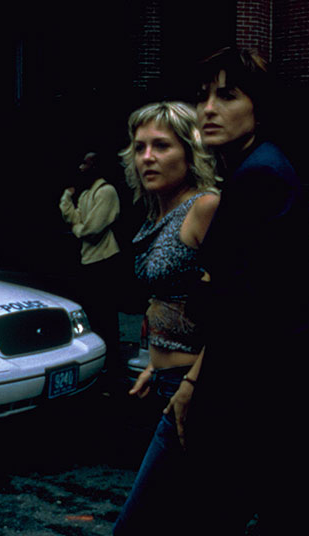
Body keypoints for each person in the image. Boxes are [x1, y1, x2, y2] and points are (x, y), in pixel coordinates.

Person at [176, 47, 309, 534]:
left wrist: (201, 293)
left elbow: (242, 304)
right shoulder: (256, 168)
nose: (208, 109)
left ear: (260, 109)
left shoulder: (261, 175)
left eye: (227, 95)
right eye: (202, 97)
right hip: (281, 401)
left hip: (275, 407)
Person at [112, 102, 219, 536]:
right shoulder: (158, 212)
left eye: (161, 146)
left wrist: (192, 383)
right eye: (140, 148)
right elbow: (175, 297)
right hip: (168, 381)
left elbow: (238, 309)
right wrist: (154, 364)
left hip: (198, 388)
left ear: (190, 153)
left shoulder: (206, 207)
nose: (147, 158)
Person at [59, 151, 123, 378]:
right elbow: (72, 217)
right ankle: (100, 365)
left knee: (106, 316)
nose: (81, 168)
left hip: (104, 260)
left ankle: (113, 368)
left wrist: (78, 230)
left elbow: (91, 230)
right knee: (93, 316)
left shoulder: (106, 192)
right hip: (89, 260)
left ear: (96, 166)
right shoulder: (87, 193)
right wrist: (67, 197)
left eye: (85, 164)